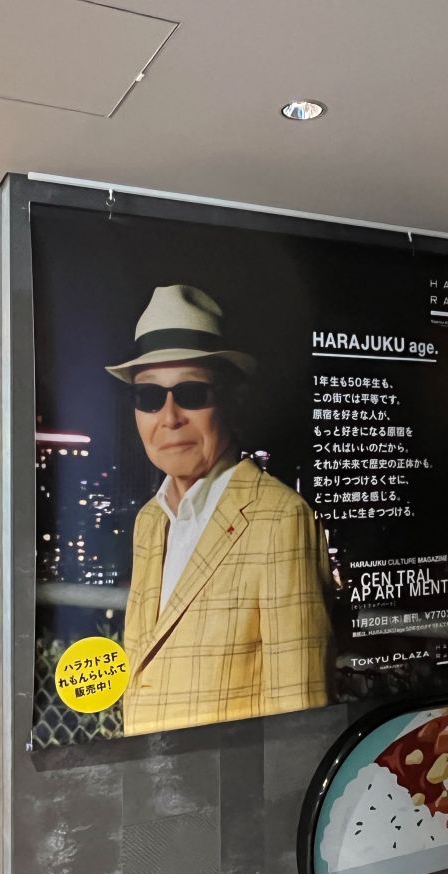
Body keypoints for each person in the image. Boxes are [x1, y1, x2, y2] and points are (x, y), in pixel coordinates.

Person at [106, 284, 332, 736]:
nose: (169, 417)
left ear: (232, 400)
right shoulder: (149, 521)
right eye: (148, 397)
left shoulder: (279, 519)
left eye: (192, 393)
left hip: (227, 776)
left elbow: (300, 709)